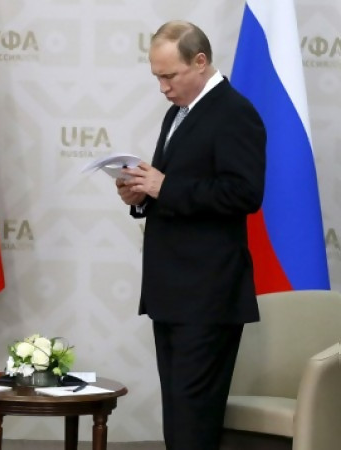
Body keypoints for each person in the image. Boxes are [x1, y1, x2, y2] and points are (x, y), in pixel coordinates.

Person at [116, 21, 266, 450]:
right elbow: (173, 188)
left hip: (208, 294)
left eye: (170, 76)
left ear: (200, 62)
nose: (163, 87)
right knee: (179, 419)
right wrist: (140, 195)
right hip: (172, 291)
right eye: (157, 77)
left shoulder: (235, 112)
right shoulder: (179, 112)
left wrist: (165, 187)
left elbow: (244, 193)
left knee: (193, 422)